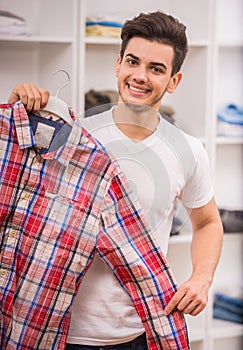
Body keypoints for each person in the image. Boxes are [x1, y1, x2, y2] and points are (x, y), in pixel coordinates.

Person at [8, 10, 223, 350]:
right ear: (118, 63)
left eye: (156, 69)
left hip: (140, 334)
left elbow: (209, 221)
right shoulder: (74, 135)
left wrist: (202, 278)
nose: (140, 76)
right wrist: (24, 107)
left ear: (174, 81)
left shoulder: (189, 150)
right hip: (58, 333)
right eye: (133, 62)